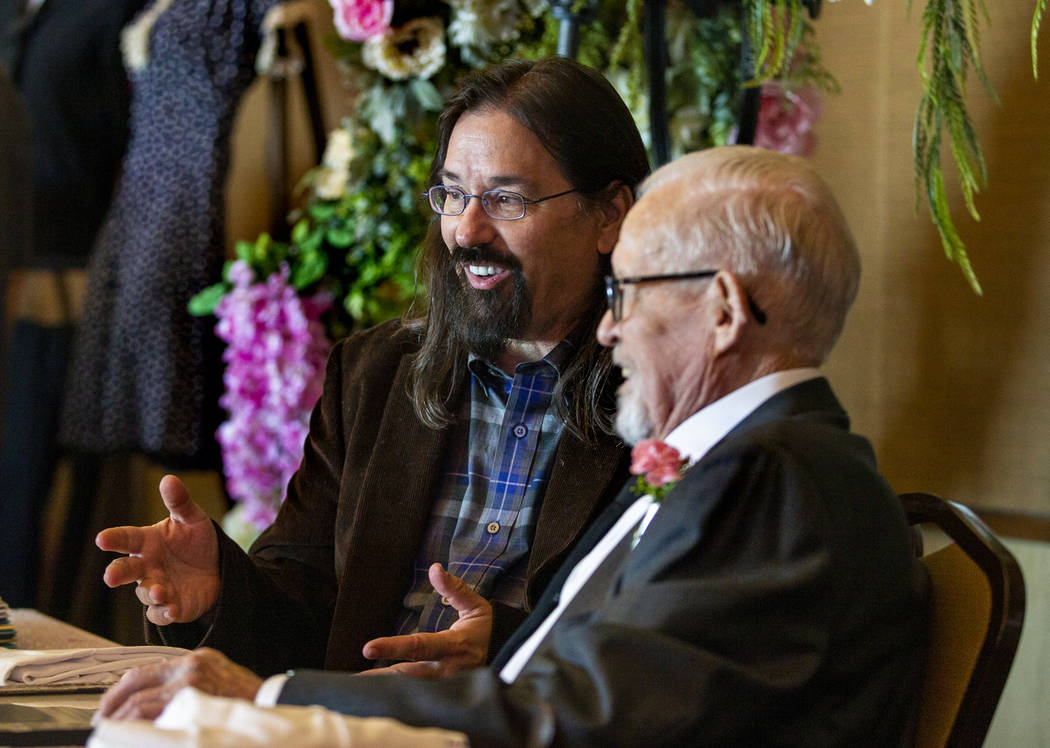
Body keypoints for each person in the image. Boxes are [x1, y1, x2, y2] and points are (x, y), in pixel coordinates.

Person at [97, 146, 930, 746]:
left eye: (628, 292)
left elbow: (587, 721)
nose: (609, 327)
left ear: (722, 310)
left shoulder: (772, 481)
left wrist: (271, 697)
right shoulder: (756, 465)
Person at [95, 57, 650, 675]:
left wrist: (507, 650)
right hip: (346, 725)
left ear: (609, 214)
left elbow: (665, 637)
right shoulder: (375, 372)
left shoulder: (668, 390)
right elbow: (305, 604)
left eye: (506, 200)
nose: (466, 230)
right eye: (454, 194)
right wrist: (220, 590)